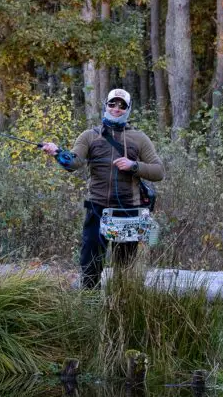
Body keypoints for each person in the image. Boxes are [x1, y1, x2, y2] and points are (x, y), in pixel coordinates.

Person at [41, 88, 164, 289]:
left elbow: (159, 172)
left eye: (122, 105)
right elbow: (73, 163)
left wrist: (134, 166)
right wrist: (57, 152)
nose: (117, 109)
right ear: (105, 106)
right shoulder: (90, 136)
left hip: (128, 211)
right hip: (97, 209)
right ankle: (90, 310)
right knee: (90, 265)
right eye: (112, 104)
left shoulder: (139, 138)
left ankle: (120, 312)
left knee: (125, 269)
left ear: (128, 109)